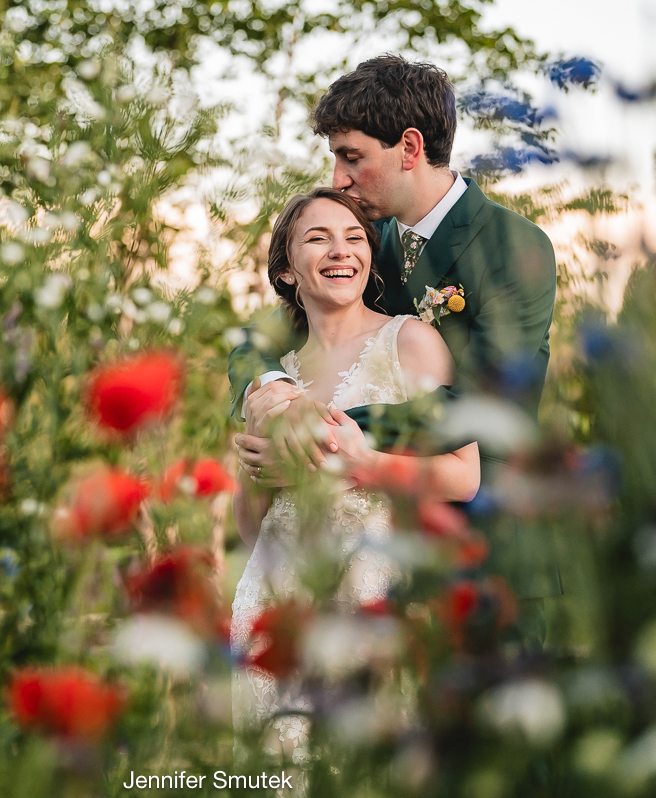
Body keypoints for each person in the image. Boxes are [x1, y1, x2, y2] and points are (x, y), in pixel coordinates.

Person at [228, 56, 562, 641]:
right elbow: (256, 344)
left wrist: (313, 438)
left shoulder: (512, 247)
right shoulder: (360, 239)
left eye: (351, 156)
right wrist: (271, 388)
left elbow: (483, 407)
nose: (338, 178)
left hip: (483, 555)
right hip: (371, 568)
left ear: (409, 147)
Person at [230, 187, 480, 767]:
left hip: (371, 585)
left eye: (354, 239)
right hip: (276, 597)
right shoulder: (273, 384)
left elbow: (464, 476)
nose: (341, 251)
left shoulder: (409, 342)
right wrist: (255, 477)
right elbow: (249, 528)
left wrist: (365, 463)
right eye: (317, 238)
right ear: (287, 271)